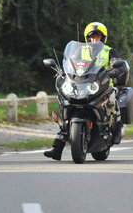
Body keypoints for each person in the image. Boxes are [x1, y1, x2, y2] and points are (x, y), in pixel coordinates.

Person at [44, 21, 126, 161]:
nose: (95, 38)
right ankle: (57, 148)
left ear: (102, 38)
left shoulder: (108, 51)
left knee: (114, 99)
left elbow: (119, 63)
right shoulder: (79, 50)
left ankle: (117, 129)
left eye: (98, 36)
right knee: (66, 103)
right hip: (80, 84)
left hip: (103, 84)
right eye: (92, 36)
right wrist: (61, 71)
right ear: (87, 38)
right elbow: (68, 63)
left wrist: (115, 70)